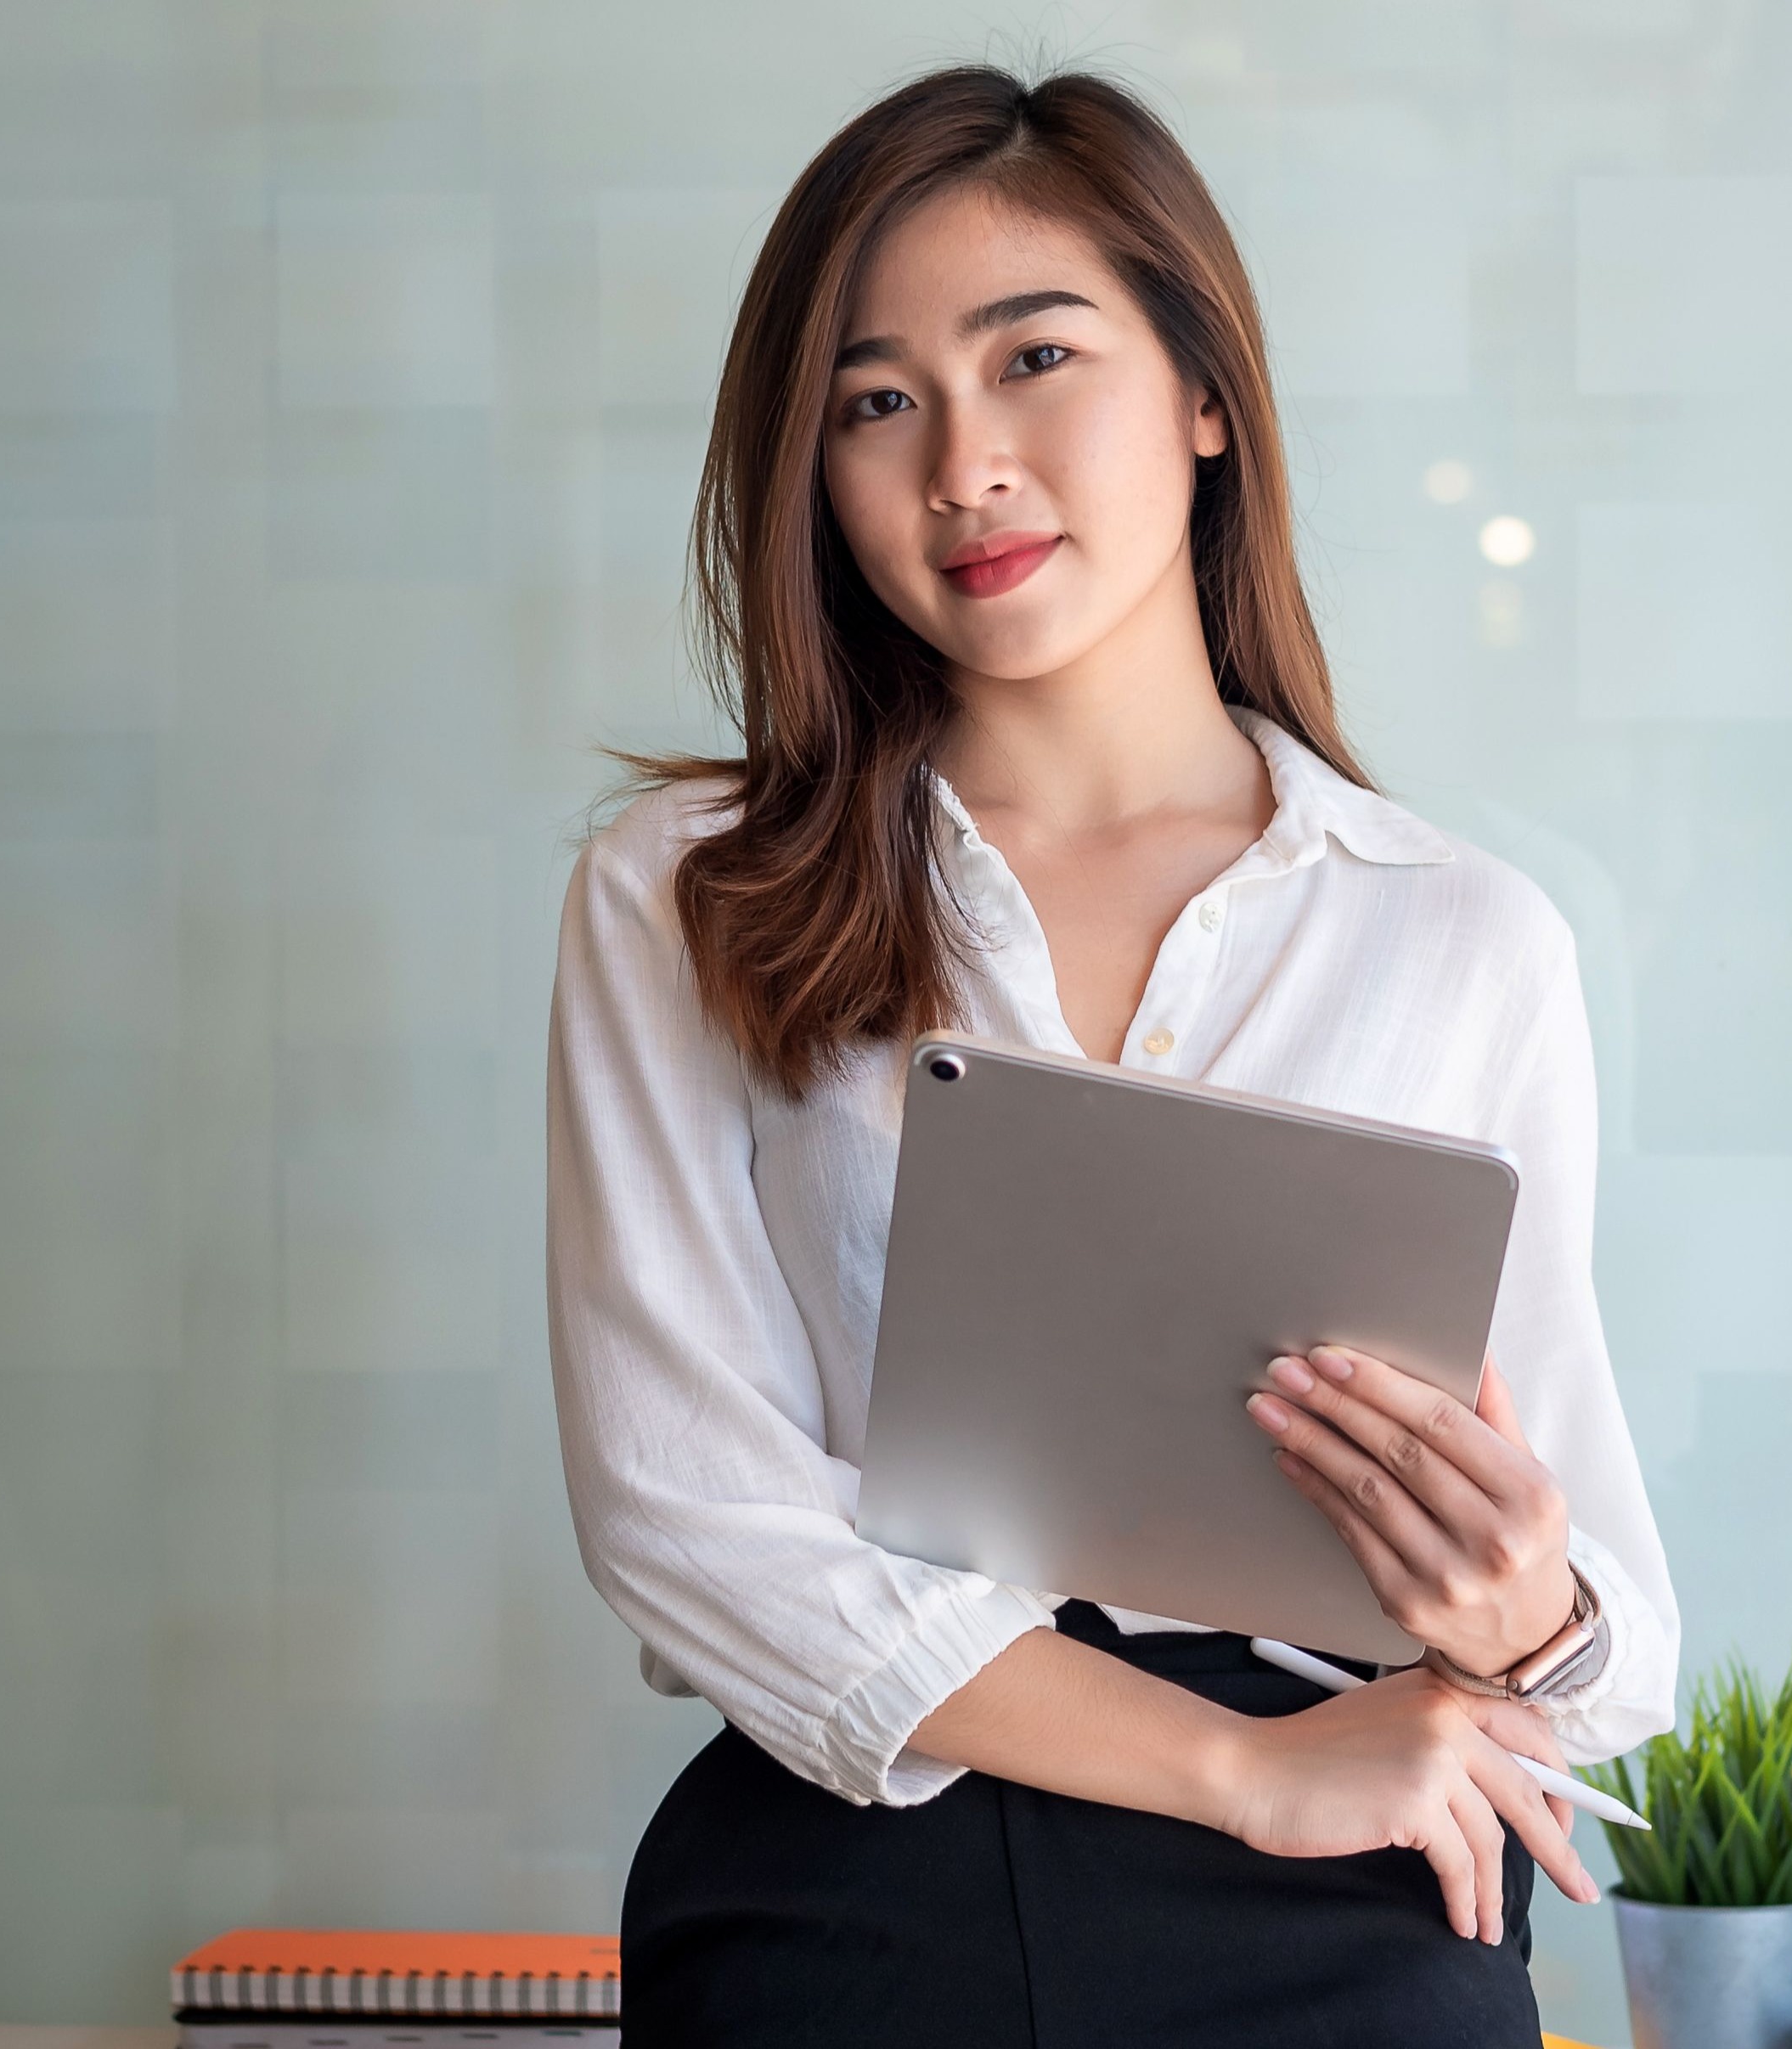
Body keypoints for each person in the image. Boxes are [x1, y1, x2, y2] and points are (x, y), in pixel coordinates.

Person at [544, 63, 1680, 2048]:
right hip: (857, 1849)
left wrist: (1523, 1610)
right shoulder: (689, 893)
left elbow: (1608, 1651)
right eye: (875, 402)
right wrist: (1233, 1767)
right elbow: (681, 1511)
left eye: (1033, 356)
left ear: (1203, 392)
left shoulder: (1461, 935)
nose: (962, 463)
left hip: (1342, 1875)